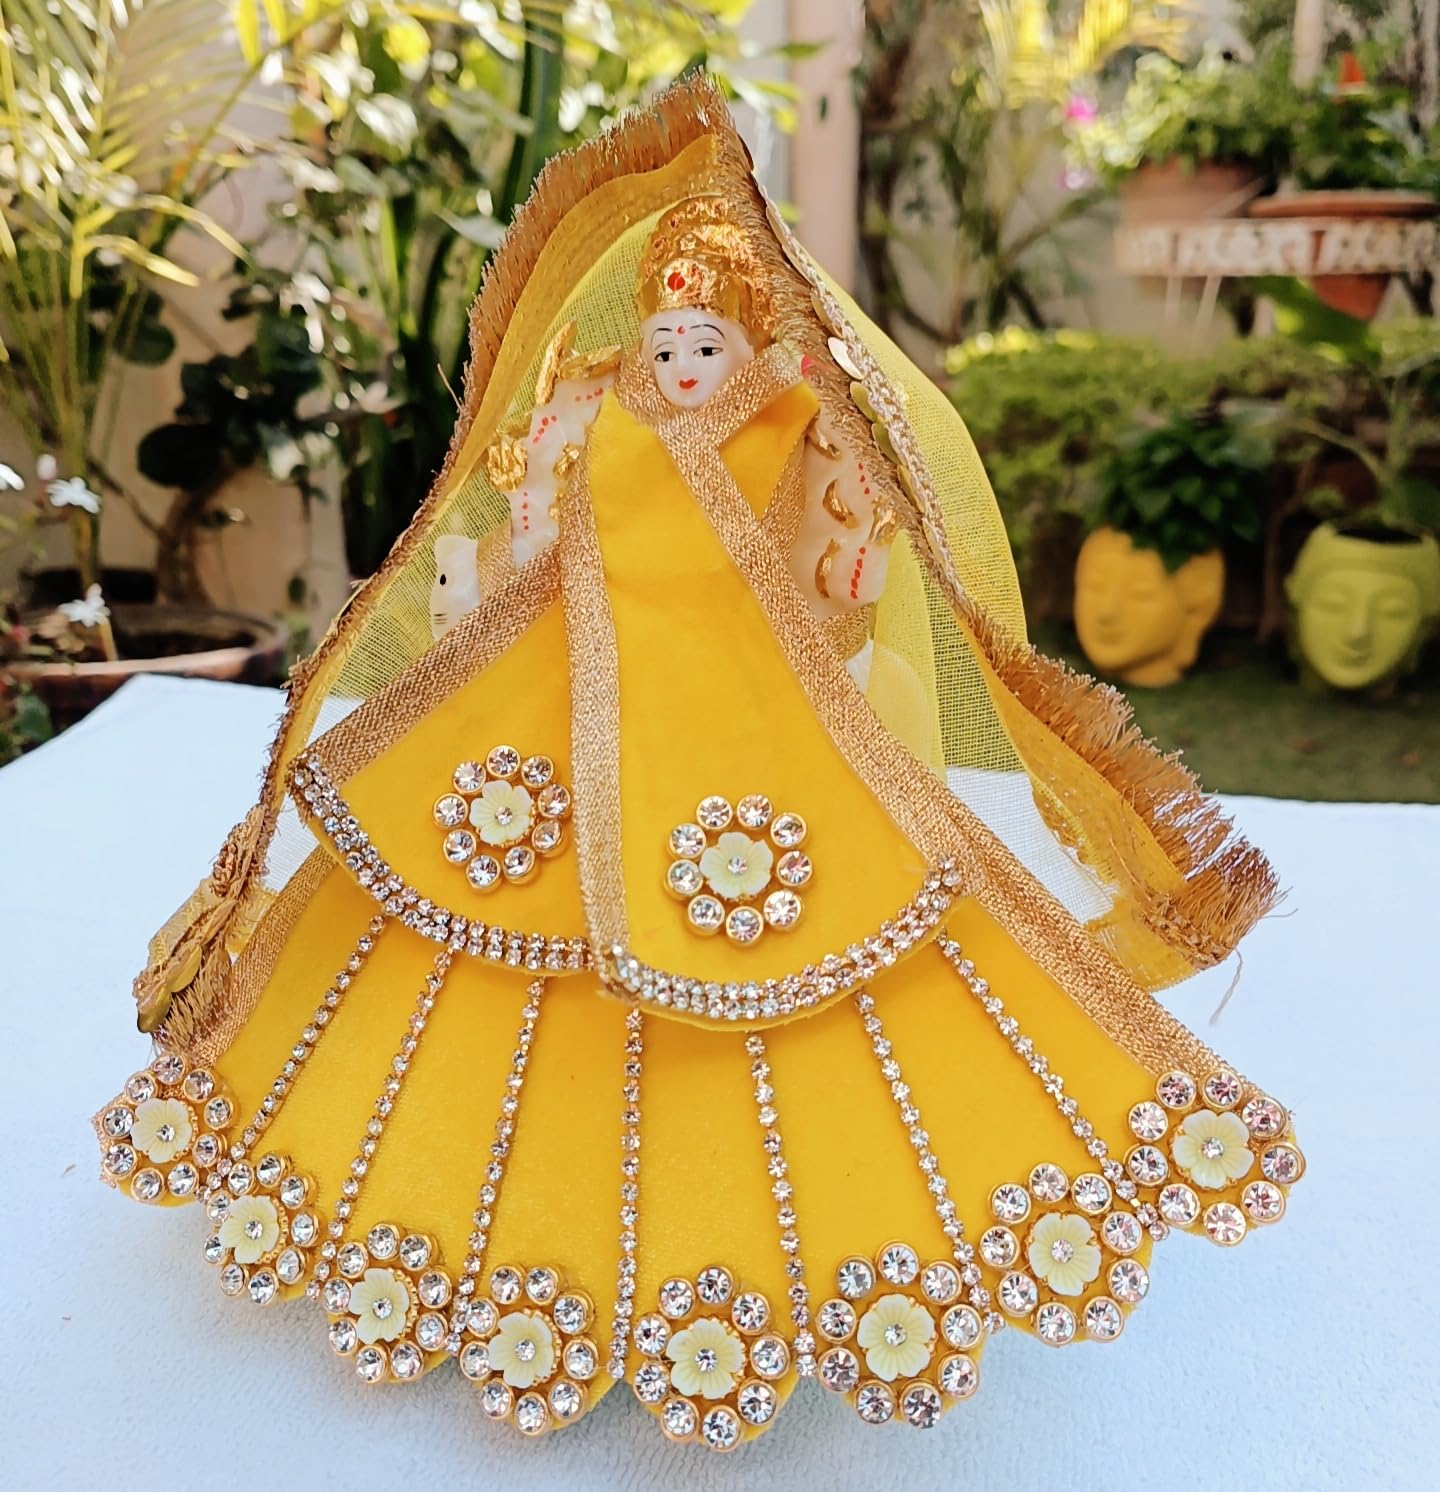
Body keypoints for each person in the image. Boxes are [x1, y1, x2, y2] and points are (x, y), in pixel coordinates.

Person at [93, 76, 1302, 1450]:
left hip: (754, 711)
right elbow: (527, 528)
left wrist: (837, 554)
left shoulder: (795, 419)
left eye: (702, 345)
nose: (677, 365)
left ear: (745, 347)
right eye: (663, 341)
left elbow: (854, 560)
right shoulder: (588, 415)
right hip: (555, 700)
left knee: (862, 908)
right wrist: (501, 587)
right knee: (454, 893)